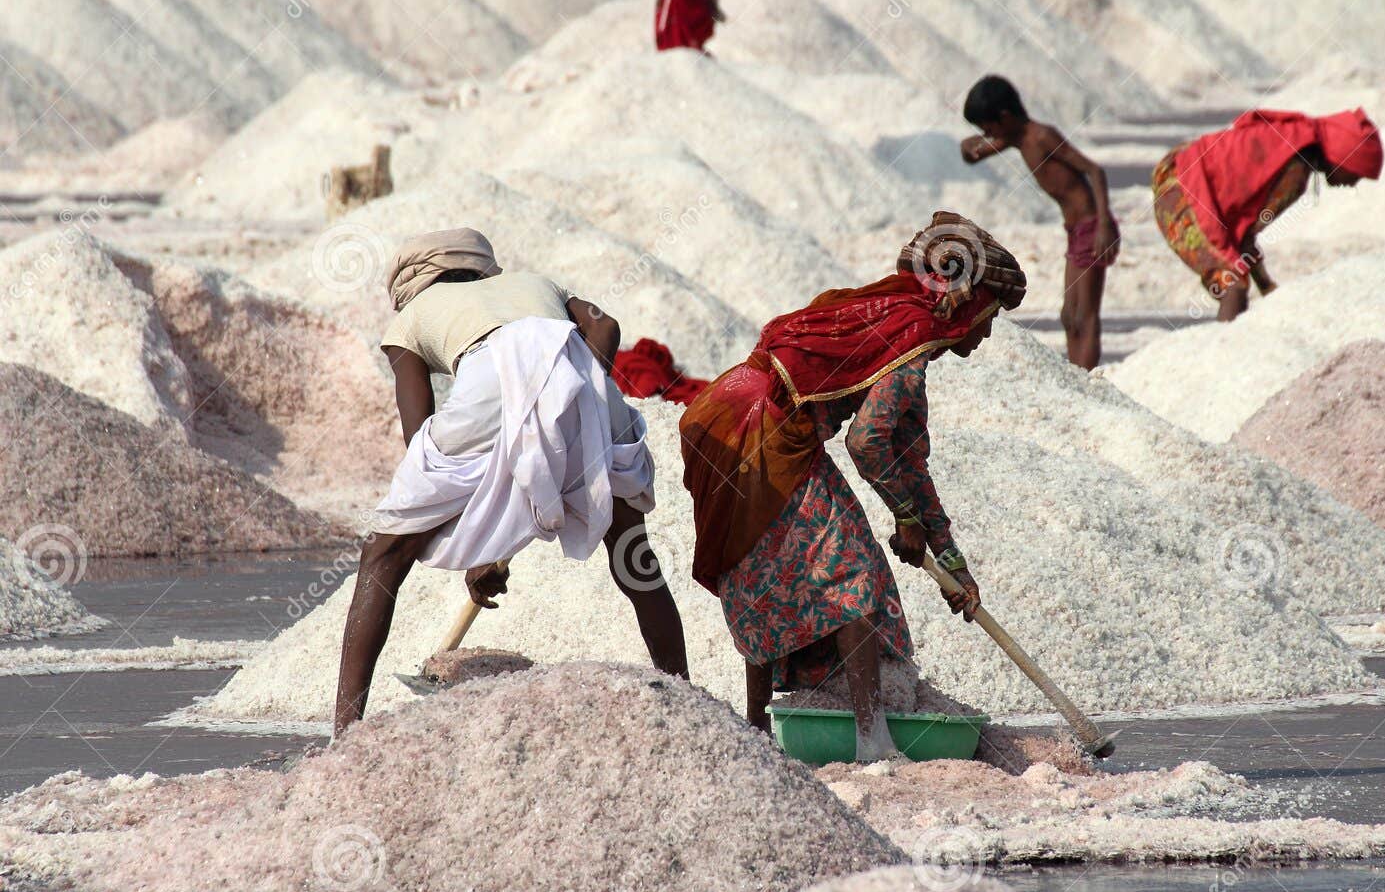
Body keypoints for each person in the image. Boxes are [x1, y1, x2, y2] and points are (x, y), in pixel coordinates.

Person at [679, 212, 1027, 762]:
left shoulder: (889, 314)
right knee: (853, 573)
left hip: (723, 415)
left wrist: (951, 560)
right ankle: (872, 739)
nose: (986, 334)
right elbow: (868, 442)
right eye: (990, 318)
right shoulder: (910, 342)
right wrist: (907, 522)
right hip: (765, 436)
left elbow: (908, 458)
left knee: (763, 568)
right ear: (969, 303)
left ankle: (758, 737)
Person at [333, 229, 689, 735]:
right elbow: (604, 325)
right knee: (632, 551)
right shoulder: (535, 281)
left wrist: (475, 529)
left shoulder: (408, 320)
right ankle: (687, 703)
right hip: (583, 379)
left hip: (487, 376)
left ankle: (345, 734)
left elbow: (424, 446)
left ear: (414, 285)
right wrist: (584, 398)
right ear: (482, 269)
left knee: (383, 555)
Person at [1152, 108, 1384, 321]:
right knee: (1234, 284)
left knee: (1234, 276)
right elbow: (1246, 238)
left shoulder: (1295, 141)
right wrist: (1266, 287)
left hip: (1181, 172)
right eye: (1358, 173)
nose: (1354, 183)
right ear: (1345, 157)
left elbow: (1243, 233)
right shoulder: (1295, 173)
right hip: (1182, 189)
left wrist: (1266, 286)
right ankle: (1225, 356)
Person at [959, 75, 1118, 370]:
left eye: (989, 128)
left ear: (1005, 117)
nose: (987, 134)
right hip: (1075, 230)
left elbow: (1095, 171)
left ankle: (1087, 376)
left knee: (1085, 313)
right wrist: (968, 146)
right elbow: (973, 156)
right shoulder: (1013, 139)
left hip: (1093, 227)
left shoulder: (1041, 137)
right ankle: (1078, 373)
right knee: (1069, 315)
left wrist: (1105, 224)